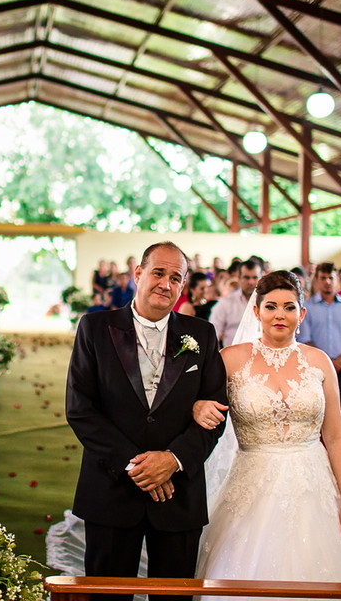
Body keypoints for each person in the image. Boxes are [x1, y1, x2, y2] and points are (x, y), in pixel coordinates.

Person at [194, 270, 341, 593]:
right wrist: (198, 406)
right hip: (251, 482)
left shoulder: (320, 363)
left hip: (315, 483)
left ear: (302, 313)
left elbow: (336, 437)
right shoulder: (229, 361)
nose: (280, 315)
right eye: (271, 306)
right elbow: (199, 402)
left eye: (289, 307)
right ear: (256, 311)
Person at [65, 242, 227, 601]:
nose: (165, 284)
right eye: (158, 273)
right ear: (138, 274)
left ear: (183, 286)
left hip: (178, 493)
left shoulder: (201, 335)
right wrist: (137, 466)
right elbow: (80, 409)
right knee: (108, 596)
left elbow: (217, 412)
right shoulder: (95, 328)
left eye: (175, 278)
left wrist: (171, 460)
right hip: (112, 490)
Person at [298, 262, 341, 401]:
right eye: (323, 278)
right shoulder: (307, 307)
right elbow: (305, 340)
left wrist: (339, 362)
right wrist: (329, 362)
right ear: (317, 280)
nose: (327, 282)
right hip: (315, 367)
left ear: (337, 279)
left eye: (331, 278)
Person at [209, 258, 260, 347]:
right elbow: (213, 337)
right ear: (239, 279)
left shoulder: (268, 303)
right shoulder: (225, 304)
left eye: (255, 278)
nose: (251, 282)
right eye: (246, 278)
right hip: (232, 358)